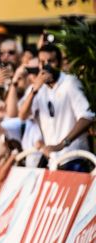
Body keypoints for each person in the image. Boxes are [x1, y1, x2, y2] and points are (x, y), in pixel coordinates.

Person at [19, 44, 95, 172]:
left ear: (59, 64)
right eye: (42, 62)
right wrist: (33, 91)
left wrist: (62, 144)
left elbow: (87, 117)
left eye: (51, 61)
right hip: (54, 161)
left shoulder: (70, 83)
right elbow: (22, 116)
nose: (47, 66)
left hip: (74, 158)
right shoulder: (38, 86)